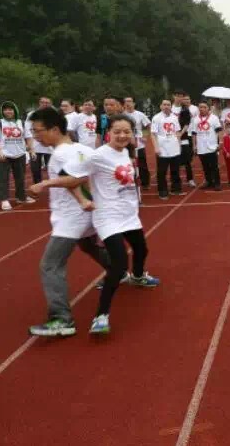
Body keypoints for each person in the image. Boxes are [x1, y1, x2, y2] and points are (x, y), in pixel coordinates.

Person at [24, 107, 112, 337]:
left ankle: (61, 319)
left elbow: (75, 179)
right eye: (33, 131)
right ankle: (117, 270)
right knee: (88, 245)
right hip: (87, 212)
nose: (35, 136)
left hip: (71, 217)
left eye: (38, 131)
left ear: (55, 129)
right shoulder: (82, 148)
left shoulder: (61, 154)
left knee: (50, 265)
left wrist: (44, 184)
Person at [88, 115, 161, 335]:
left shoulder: (125, 152)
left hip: (128, 215)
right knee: (119, 265)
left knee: (142, 250)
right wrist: (83, 198)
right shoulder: (98, 155)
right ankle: (101, 315)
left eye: (126, 131)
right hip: (108, 216)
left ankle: (137, 276)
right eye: (117, 131)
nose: (122, 135)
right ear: (108, 132)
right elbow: (72, 174)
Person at [0, 101, 35, 211]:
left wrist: (32, 150)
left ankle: (21, 196)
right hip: (4, 155)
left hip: (20, 154)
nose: (8, 111)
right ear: (2, 111)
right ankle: (3, 199)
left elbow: (29, 138)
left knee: (20, 178)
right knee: (2, 178)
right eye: (5, 109)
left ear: (15, 110)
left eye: (10, 109)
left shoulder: (22, 123)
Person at [151, 99, 183, 199]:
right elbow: (153, 134)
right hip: (162, 148)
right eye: (164, 104)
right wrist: (156, 147)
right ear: (161, 106)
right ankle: (162, 191)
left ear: (171, 106)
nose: (166, 106)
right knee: (162, 171)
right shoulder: (156, 118)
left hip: (174, 146)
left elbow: (177, 132)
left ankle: (176, 188)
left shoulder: (174, 117)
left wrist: (179, 145)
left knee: (175, 170)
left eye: (168, 105)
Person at [190, 101, 223, 190]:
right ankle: (209, 181)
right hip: (201, 147)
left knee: (214, 166)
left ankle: (217, 183)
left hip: (212, 146)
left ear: (208, 108)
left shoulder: (214, 118)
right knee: (205, 166)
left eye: (204, 107)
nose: (202, 109)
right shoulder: (195, 119)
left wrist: (220, 142)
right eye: (200, 107)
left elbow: (219, 131)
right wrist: (194, 146)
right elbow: (194, 133)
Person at [123, 96, 152, 189]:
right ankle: (130, 181)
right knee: (128, 163)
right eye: (126, 101)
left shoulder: (140, 114)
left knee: (142, 163)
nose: (128, 103)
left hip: (139, 143)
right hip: (126, 143)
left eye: (130, 101)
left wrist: (145, 136)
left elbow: (149, 125)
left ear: (134, 103)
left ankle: (145, 183)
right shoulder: (122, 115)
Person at [24, 97, 54, 184]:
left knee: (52, 168)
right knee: (35, 169)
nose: (45, 104)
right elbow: (27, 128)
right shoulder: (32, 114)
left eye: (47, 103)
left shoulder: (54, 114)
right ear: (39, 103)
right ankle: (37, 184)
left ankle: (53, 185)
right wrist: (32, 140)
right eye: (43, 102)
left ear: (50, 104)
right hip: (35, 145)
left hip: (50, 145)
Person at [177, 94, 197, 188]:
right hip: (176, 136)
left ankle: (190, 179)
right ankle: (176, 179)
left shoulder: (193, 109)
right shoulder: (174, 108)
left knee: (188, 158)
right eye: (184, 99)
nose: (186, 100)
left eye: (187, 99)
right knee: (176, 158)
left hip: (189, 134)